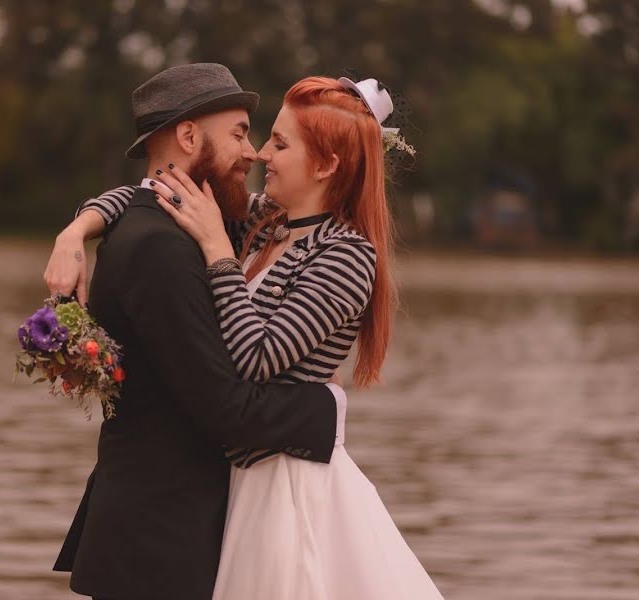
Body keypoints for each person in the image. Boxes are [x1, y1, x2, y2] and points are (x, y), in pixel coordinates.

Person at [53, 74, 445, 599]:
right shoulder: (267, 221)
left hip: (286, 482)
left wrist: (218, 252)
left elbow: (257, 358)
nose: (260, 154)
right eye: (258, 137)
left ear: (327, 165)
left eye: (279, 144)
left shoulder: (347, 255)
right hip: (236, 478)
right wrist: (78, 228)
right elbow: (157, 190)